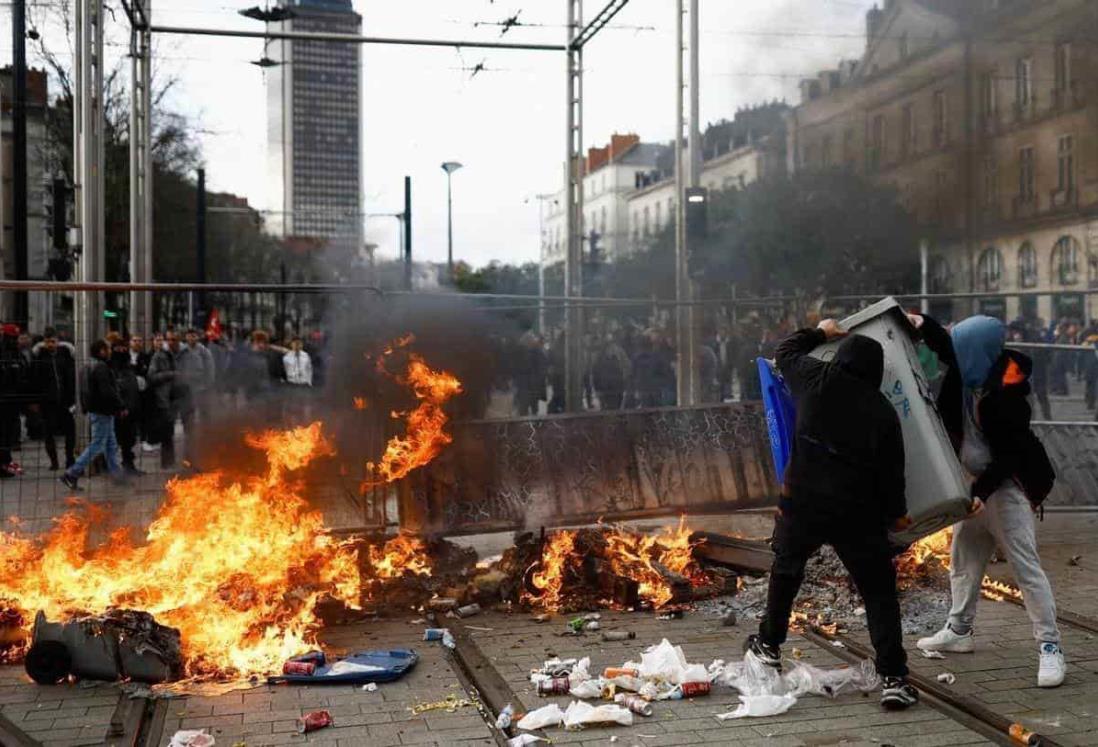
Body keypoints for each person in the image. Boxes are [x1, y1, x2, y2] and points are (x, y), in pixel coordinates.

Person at [745, 318, 918, 711]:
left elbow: (785, 352)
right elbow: (892, 476)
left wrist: (821, 331)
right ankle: (894, 678)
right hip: (856, 513)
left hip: (801, 503)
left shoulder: (815, 378)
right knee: (877, 592)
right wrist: (899, 516)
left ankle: (768, 646)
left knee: (786, 573)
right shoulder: (883, 411)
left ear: (840, 358)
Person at [913, 314, 1064, 688]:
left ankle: (1050, 646)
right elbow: (945, 345)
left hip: (1006, 488)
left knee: (1025, 567)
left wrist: (980, 493)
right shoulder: (968, 368)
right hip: (973, 485)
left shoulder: (1009, 396)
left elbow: (1010, 456)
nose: (955, 354)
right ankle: (959, 630)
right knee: (964, 559)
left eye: (963, 348)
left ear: (978, 352)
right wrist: (919, 322)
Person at [60, 339, 127, 490]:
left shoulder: (87, 366)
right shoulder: (101, 367)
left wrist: (86, 407)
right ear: (101, 351)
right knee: (97, 445)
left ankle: (117, 475)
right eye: (108, 349)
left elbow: (83, 390)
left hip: (97, 411)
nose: (110, 352)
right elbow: (107, 391)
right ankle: (72, 473)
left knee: (111, 445)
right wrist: (120, 406)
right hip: (102, 411)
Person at [33, 328, 77, 471]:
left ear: (58, 341)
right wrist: (36, 400)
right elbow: (35, 379)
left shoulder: (65, 355)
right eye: (47, 342)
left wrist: (72, 397)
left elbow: (71, 376)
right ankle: (54, 461)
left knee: (70, 431)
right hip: (48, 401)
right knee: (49, 432)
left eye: (53, 341)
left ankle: (70, 458)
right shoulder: (40, 356)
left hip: (65, 400)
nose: (50, 344)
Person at [108, 333, 144, 476]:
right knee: (115, 440)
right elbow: (113, 389)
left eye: (124, 347)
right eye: (118, 348)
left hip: (131, 408)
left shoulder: (128, 366)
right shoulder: (111, 367)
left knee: (129, 440)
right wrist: (120, 406)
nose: (122, 350)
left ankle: (129, 465)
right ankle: (112, 467)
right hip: (118, 410)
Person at [146, 331, 184, 469]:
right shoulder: (158, 356)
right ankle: (166, 462)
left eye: (171, 339)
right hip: (163, 400)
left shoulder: (172, 355)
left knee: (170, 431)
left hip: (173, 398)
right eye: (167, 339)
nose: (168, 342)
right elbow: (151, 377)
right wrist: (170, 374)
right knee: (166, 432)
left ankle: (169, 461)